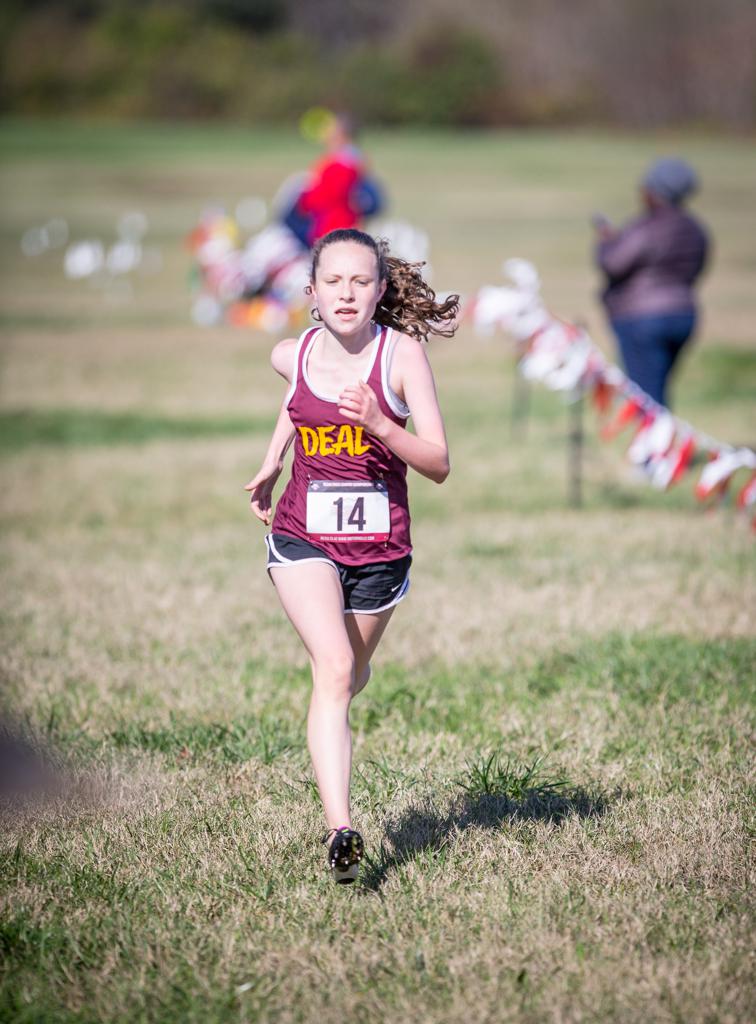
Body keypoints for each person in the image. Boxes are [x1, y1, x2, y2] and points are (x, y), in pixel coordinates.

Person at [244, 228, 458, 884]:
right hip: (303, 536)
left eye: (360, 281)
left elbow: (440, 464)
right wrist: (272, 460)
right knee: (333, 668)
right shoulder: (293, 351)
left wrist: (380, 424)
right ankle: (342, 829)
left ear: (381, 289)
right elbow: (296, 398)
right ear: (312, 293)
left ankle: (336, 696)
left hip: (381, 551)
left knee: (350, 675)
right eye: (333, 282)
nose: (346, 293)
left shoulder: (401, 357)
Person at [594, 157, 710, 408]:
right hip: (683, 315)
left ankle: (655, 446)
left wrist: (606, 242)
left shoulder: (647, 227)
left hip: (642, 319)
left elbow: (613, 263)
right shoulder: (695, 228)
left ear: (656, 190)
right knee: (656, 389)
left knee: (646, 398)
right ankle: (663, 442)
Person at [286, 112, 383, 249]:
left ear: (341, 135)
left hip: (332, 225)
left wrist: (304, 198)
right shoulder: (350, 159)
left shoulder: (344, 164)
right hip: (334, 223)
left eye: (331, 131)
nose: (325, 136)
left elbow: (324, 196)